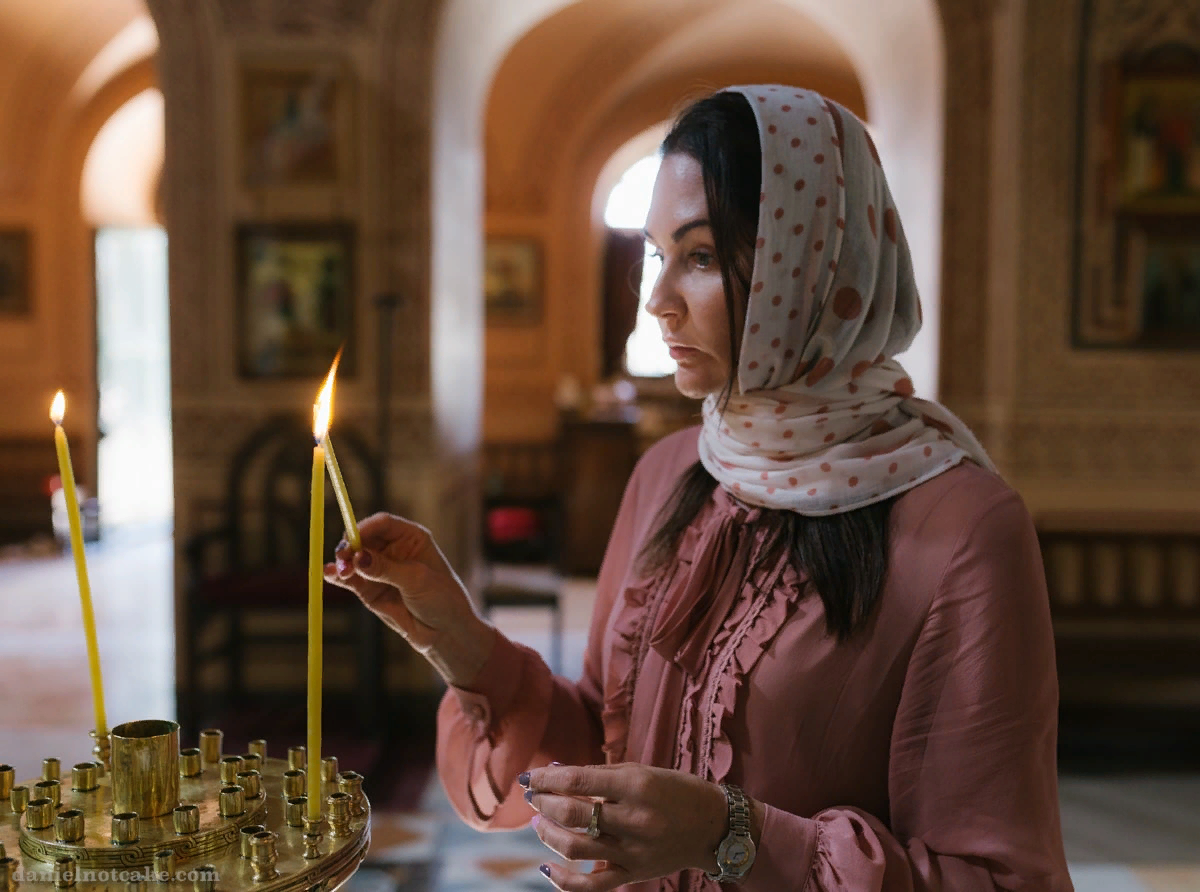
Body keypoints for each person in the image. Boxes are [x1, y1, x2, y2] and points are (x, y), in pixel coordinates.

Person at [326, 86, 1073, 891]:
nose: (657, 300)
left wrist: (732, 835)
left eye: (703, 256)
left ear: (814, 263)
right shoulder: (671, 475)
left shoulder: (962, 528)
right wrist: (459, 641)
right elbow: (608, 745)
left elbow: (998, 879)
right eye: (657, 255)